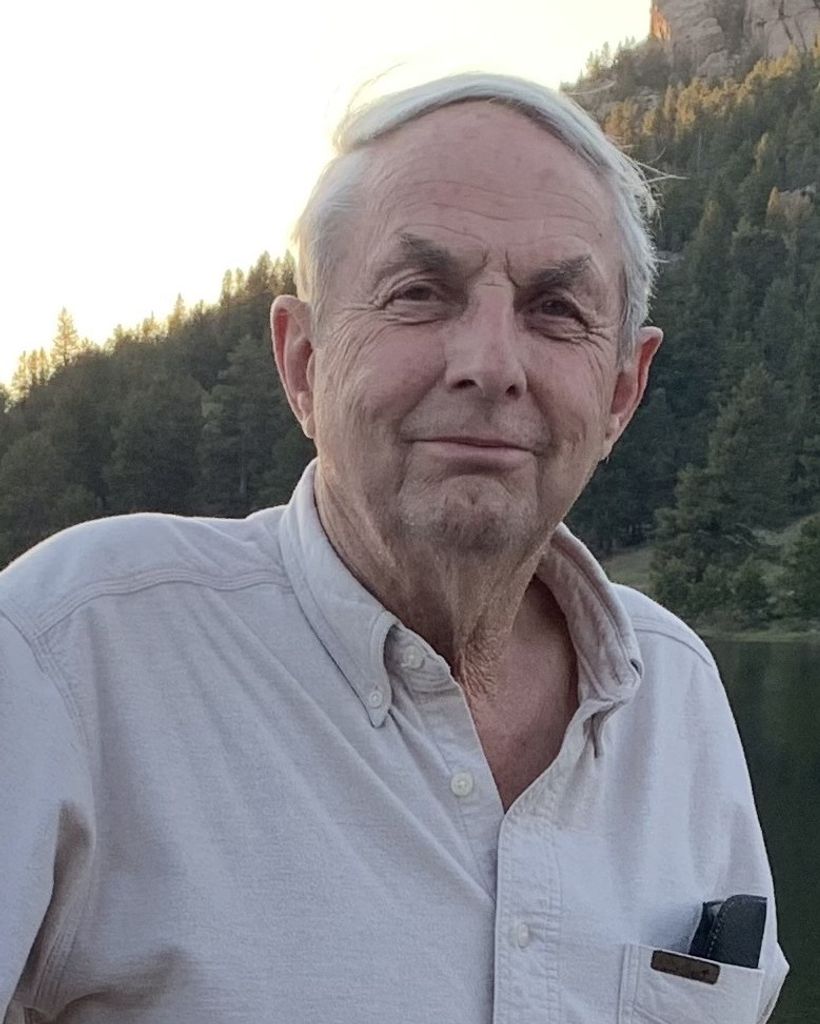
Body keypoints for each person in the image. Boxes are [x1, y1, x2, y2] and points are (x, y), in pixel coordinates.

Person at [0, 73, 787, 1024]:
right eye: (419, 294)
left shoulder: (676, 693)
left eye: (554, 308)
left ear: (622, 390)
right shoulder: (69, 653)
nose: (491, 365)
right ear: (303, 363)